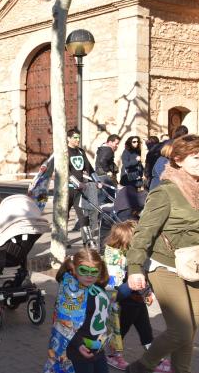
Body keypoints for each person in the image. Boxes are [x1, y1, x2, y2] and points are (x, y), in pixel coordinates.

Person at [126, 134, 199, 373]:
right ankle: (142, 366)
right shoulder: (165, 192)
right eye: (196, 157)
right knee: (181, 330)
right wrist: (135, 268)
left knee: (191, 328)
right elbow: (144, 232)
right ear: (178, 159)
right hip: (164, 265)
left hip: (193, 264)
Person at [103, 221, 169, 372]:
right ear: (125, 242)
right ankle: (112, 355)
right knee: (121, 332)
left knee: (146, 332)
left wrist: (146, 292)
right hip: (124, 304)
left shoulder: (133, 256)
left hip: (136, 302)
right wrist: (135, 286)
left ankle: (155, 359)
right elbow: (114, 293)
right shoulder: (114, 260)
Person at [44, 248, 110, 373]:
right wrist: (79, 344)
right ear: (74, 269)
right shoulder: (70, 293)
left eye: (94, 271)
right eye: (84, 270)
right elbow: (62, 323)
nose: (89, 276)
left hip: (97, 347)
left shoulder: (99, 289)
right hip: (76, 349)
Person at [65, 128, 101, 248]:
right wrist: (76, 182)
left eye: (78, 137)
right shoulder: (64, 152)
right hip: (67, 190)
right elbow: (65, 170)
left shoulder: (80, 151)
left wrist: (97, 180)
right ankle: (62, 239)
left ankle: (87, 241)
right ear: (68, 138)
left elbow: (89, 168)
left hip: (80, 190)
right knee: (64, 215)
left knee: (83, 215)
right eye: (75, 137)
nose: (77, 140)